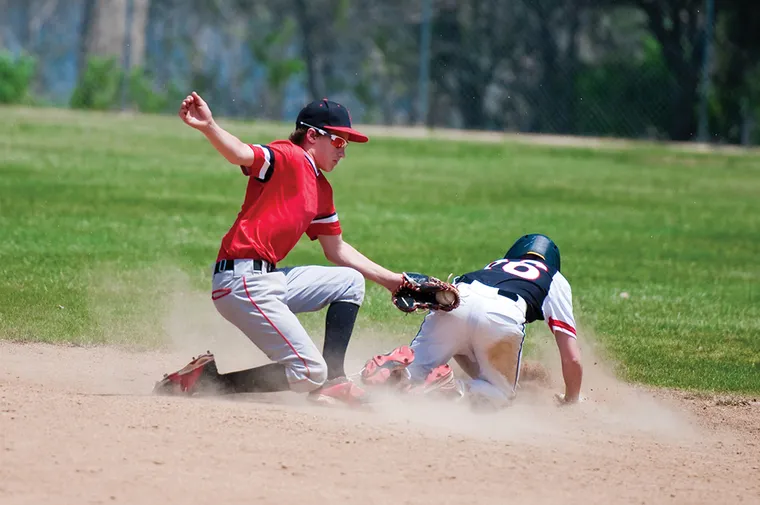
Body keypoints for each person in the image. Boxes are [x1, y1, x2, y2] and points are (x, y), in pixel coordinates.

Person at [154, 92, 403, 405]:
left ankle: (334, 380)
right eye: (339, 142)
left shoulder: (321, 188)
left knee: (349, 282)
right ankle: (208, 383)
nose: (343, 152)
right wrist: (209, 126)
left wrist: (394, 280)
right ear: (312, 135)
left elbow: (336, 250)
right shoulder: (289, 155)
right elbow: (242, 154)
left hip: (266, 279)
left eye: (346, 145)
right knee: (310, 371)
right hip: (241, 281)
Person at [360, 234, 584, 409]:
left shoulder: (494, 265)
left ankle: (397, 371)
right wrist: (571, 399)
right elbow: (571, 357)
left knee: (417, 371)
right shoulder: (554, 278)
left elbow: (467, 340)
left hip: (457, 299)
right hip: (502, 313)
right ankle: (453, 389)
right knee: (499, 395)